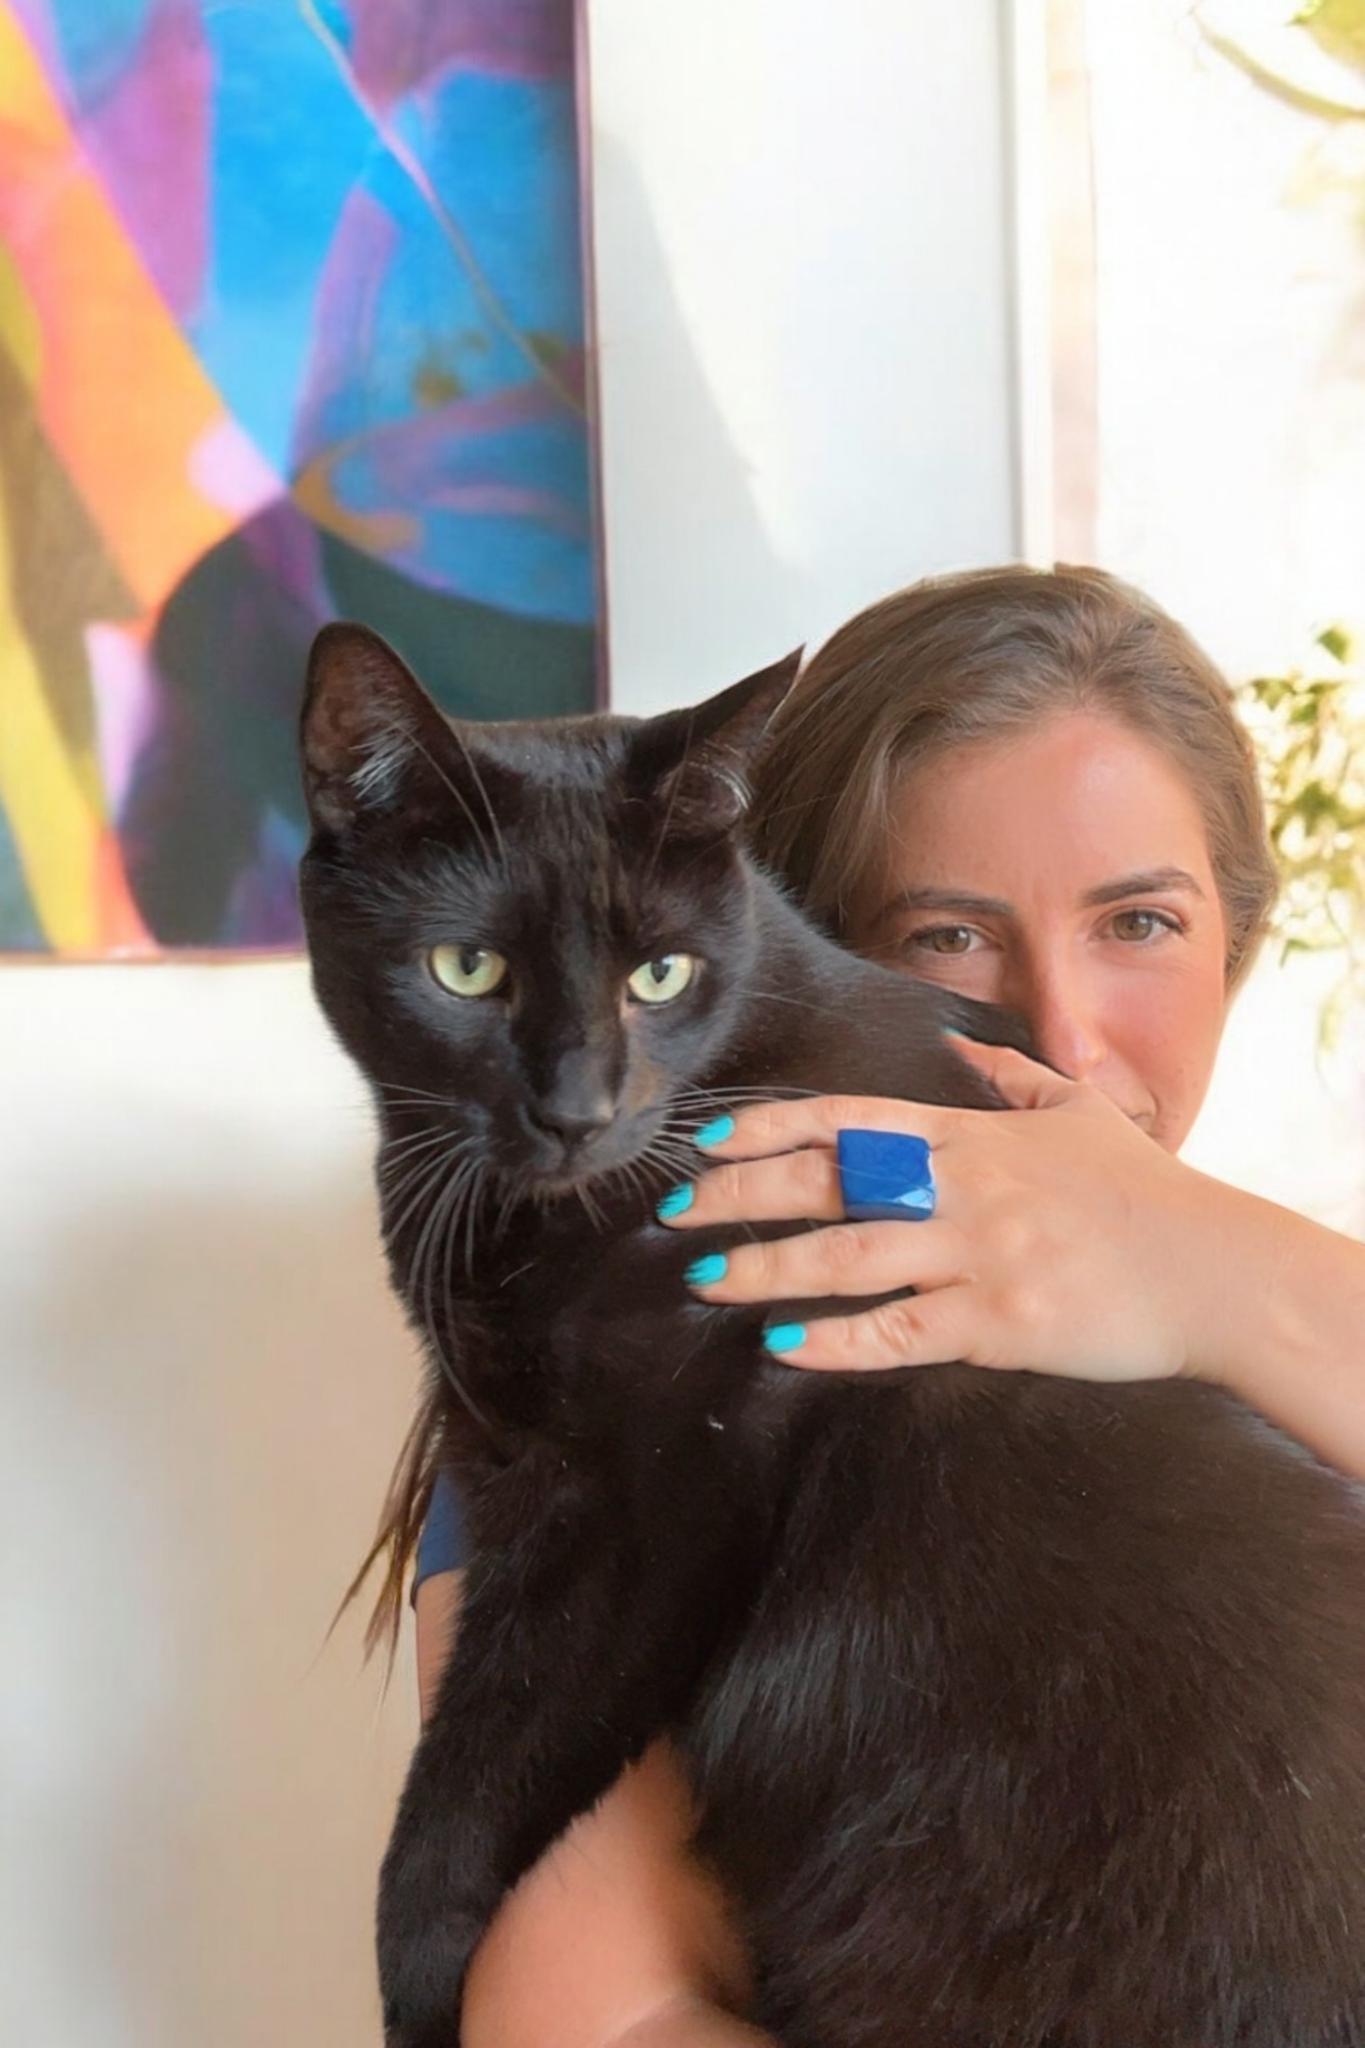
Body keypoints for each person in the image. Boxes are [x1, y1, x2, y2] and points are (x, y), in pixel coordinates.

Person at [406, 564, 1365, 2048]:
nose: (1057, 1027)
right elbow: (584, 2018)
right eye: (947, 939)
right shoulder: (651, 1359)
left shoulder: (1300, 1301)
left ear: (1232, 938)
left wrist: (1213, 1272)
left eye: (1141, 923)